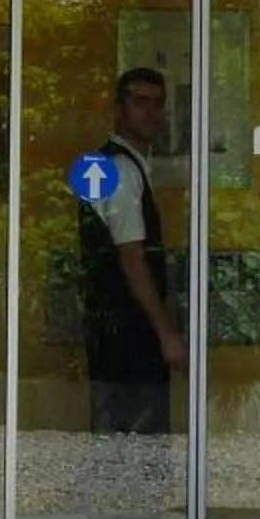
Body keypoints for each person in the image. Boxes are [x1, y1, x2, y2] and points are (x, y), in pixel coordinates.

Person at [78, 66, 183, 434]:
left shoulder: (129, 166)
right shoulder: (121, 169)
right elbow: (131, 258)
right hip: (128, 330)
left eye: (158, 104)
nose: (151, 113)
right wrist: (165, 332)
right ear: (119, 108)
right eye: (140, 102)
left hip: (119, 326)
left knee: (125, 432)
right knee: (137, 432)